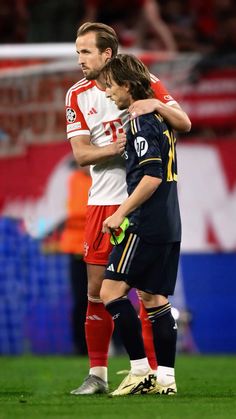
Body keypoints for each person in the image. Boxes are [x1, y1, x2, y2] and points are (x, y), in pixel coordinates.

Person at [66, 21, 191, 395]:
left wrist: (155, 103)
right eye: (77, 52)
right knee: (97, 290)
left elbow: (183, 121)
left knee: (144, 292)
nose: (80, 60)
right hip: (103, 201)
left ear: (108, 54)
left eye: (86, 52)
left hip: (139, 200)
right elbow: (80, 154)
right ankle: (99, 375)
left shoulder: (141, 80)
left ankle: (150, 372)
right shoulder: (76, 94)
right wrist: (118, 148)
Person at [101, 53, 181, 396]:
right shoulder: (161, 118)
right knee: (153, 296)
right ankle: (165, 379)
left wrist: (120, 212)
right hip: (168, 220)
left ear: (128, 85)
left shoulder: (140, 122)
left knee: (110, 292)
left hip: (144, 222)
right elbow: (185, 124)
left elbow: (150, 177)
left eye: (111, 86)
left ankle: (139, 371)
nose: (108, 93)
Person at [59, 165, 91, 355]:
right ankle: (81, 347)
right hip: (78, 249)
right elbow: (78, 212)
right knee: (81, 300)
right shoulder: (75, 179)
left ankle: (117, 344)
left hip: (101, 247)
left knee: (108, 298)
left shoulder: (104, 176)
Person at [81, 0, 177, 51]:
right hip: (110, 19)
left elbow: (154, 19)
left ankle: (172, 50)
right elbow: (89, 19)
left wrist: (171, 49)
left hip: (135, 19)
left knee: (151, 17)